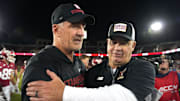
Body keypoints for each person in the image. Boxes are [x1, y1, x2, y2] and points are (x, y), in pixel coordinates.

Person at [26, 21, 159, 101]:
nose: (117, 48)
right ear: (107, 43)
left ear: (133, 46)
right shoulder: (93, 73)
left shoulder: (144, 68)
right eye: (113, 42)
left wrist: (64, 93)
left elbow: (125, 97)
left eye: (123, 43)